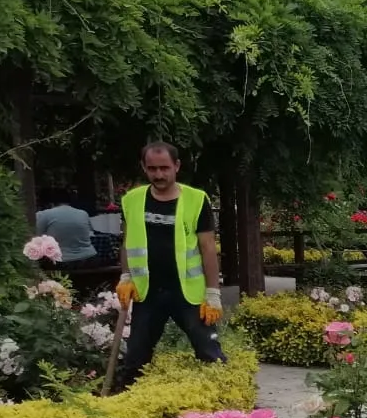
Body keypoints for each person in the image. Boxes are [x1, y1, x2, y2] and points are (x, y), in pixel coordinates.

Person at [115, 143, 226, 389]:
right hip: (148, 291)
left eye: (164, 168)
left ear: (176, 166)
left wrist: (213, 293)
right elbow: (127, 241)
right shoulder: (132, 201)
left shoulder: (197, 200)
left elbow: (208, 247)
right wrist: (126, 276)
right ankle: (125, 403)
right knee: (135, 355)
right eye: (152, 168)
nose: (159, 175)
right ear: (144, 168)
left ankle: (225, 404)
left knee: (208, 349)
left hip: (188, 292)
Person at [34, 191, 98, 266]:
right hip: (89, 258)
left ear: (48, 204)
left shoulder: (43, 215)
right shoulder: (83, 213)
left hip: (60, 261)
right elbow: (90, 234)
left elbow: (35, 237)